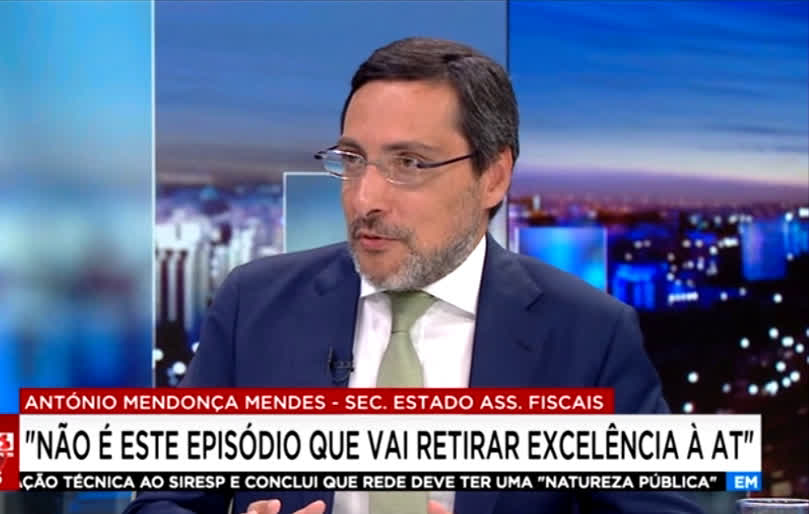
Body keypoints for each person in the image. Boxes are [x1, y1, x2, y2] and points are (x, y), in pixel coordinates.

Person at [125, 37, 702, 514]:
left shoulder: (588, 334)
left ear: (494, 176)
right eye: (353, 160)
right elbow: (158, 502)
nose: (365, 198)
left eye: (410, 163)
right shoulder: (253, 304)